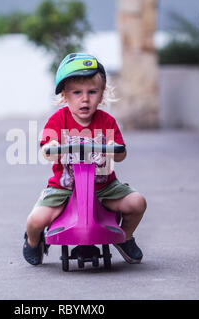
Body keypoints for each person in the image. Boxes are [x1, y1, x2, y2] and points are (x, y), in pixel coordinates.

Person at [23, 53, 147, 265]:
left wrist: (112, 149)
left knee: (137, 203)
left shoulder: (107, 121)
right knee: (36, 220)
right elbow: (46, 147)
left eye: (92, 92)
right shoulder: (58, 119)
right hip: (64, 189)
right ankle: (33, 242)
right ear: (65, 96)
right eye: (77, 92)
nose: (85, 99)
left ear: (101, 95)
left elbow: (121, 153)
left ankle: (124, 237)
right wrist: (52, 147)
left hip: (104, 187)